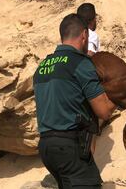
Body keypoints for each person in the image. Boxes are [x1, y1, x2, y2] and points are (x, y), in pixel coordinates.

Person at [33, 14, 116, 189]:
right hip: (69, 146)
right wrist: (117, 98)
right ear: (84, 35)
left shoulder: (42, 67)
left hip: (46, 146)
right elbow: (104, 112)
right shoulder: (80, 63)